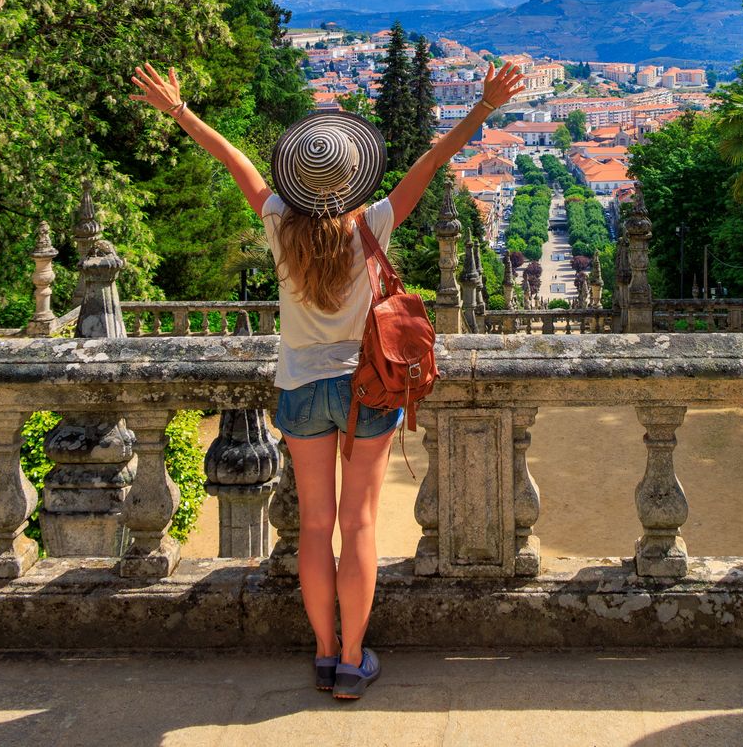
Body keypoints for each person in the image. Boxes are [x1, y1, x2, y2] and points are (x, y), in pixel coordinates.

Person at [129, 57, 525, 700]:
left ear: (298, 180)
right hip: (369, 386)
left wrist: (177, 112)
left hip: (302, 390)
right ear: (352, 180)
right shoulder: (372, 226)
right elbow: (430, 161)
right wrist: (482, 108)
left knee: (315, 525)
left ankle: (319, 650)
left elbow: (234, 161)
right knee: (359, 524)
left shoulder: (278, 222)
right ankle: (351, 658)